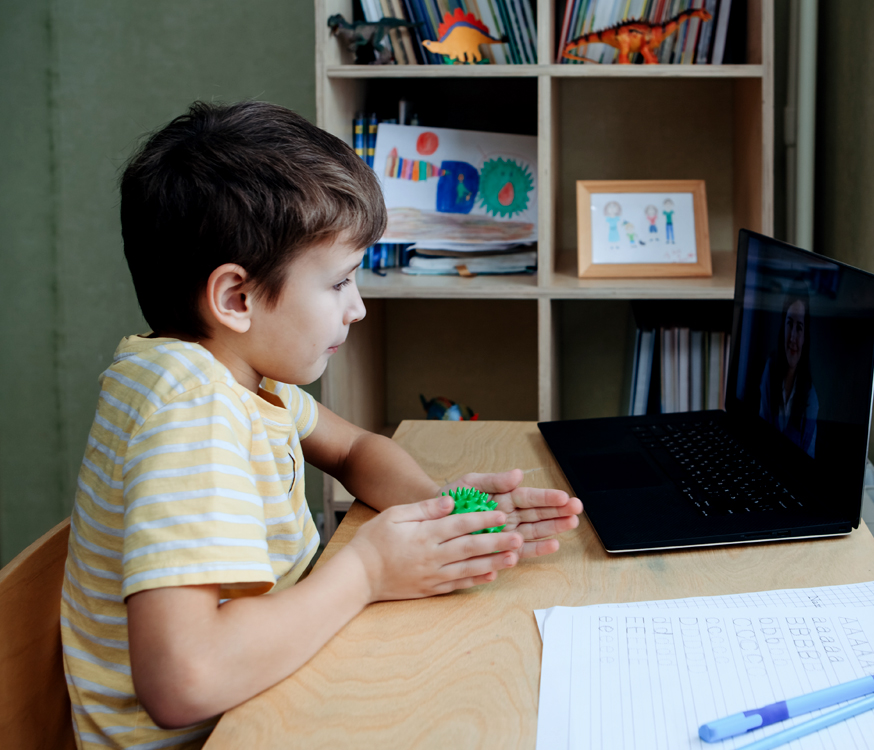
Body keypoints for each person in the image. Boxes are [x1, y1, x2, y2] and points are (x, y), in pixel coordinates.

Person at [60, 101, 583, 750]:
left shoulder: (225, 370)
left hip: (269, 693)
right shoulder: (192, 410)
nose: (357, 308)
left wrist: (443, 512)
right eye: (338, 282)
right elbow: (184, 683)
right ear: (236, 298)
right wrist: (367, 571)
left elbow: (356, 449)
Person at [758, 286, 819, 457]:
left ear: (805, 336)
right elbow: (759, 433)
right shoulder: (769, 371)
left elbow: (808, 461)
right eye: (789, 323)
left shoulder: (811, 400)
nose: (792, 337)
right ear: (782, 327)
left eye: (799, 327)